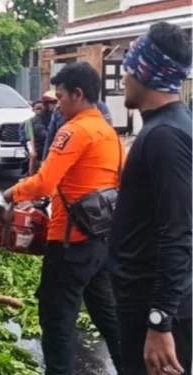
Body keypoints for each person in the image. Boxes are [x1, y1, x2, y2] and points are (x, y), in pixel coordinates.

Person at [2, 62, 124, 375]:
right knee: (109, 318)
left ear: (78, 95)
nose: (58, 105)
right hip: (100, 242)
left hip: (69, 244)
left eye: (61, 97)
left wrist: (10, 194)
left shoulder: (74, 130)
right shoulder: (109, 133)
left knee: (57, 321)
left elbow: (44, 182)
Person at [108, 22, 193, 375]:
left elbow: (178, 233)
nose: (124, 78)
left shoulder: (165, 137)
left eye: (129, 68)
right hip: (147, 305)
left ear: (147, 71)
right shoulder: (170, 126)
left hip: (156, 312)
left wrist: (160, 321)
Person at [42, 99, 113, 160]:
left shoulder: (100, 107)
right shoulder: (58, 110)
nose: (58, 104)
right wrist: (45, 160)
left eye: (61, 96)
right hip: (63, 158)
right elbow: (50, 138)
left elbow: (108, 134)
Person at [20, 101, 44, 175]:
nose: (40, 110)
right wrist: (33, 149)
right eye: (37, 108)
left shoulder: (46, 119)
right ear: (33, 110)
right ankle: (31, 175)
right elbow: (30, 136)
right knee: (33, 156)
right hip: (31, 141)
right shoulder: (29, 121)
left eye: (41, 108)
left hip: (41, 142)